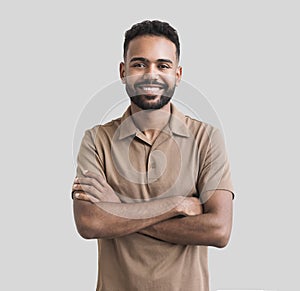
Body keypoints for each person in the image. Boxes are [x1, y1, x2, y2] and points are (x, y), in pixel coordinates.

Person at [72, 20, 234, 291]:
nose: (151, 74)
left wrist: (118, 211)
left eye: (163, 65)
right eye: (139, 64)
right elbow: (89, 223)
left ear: (178, 75)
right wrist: (175, 205)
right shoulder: (96, 140)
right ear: (123, 72)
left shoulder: (207, 138)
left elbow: (219, 231)